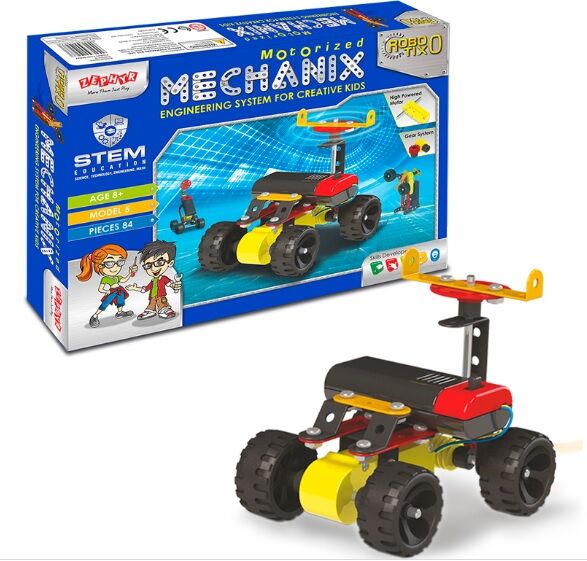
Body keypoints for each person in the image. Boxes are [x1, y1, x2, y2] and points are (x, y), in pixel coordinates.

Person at [77, 244, 137, 328]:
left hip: (119, 290)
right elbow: (100, 289)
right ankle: (95, 316)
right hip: (111, 292)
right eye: (109, 263)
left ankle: (120, 312)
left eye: (120, 262)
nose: (116, 267)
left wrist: (130, 273)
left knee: (120, 301)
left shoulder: (117, 277)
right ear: (100, 265)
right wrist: (106, 291)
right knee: (105, 303)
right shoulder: (105, 279)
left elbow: (123, 280)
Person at [126, 240, 182, 320]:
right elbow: (145, 289)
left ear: (170, 263)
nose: (153, 268)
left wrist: (176, 285)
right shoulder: (152, 281)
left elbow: (171, 284)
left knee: (163, 304)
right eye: (148, 266)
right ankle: (150, 311)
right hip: (152, 297)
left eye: (159, 263)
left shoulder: (163, 278)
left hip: (161, 297)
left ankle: (165, 310)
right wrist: (134, 288)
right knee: (151, 305)